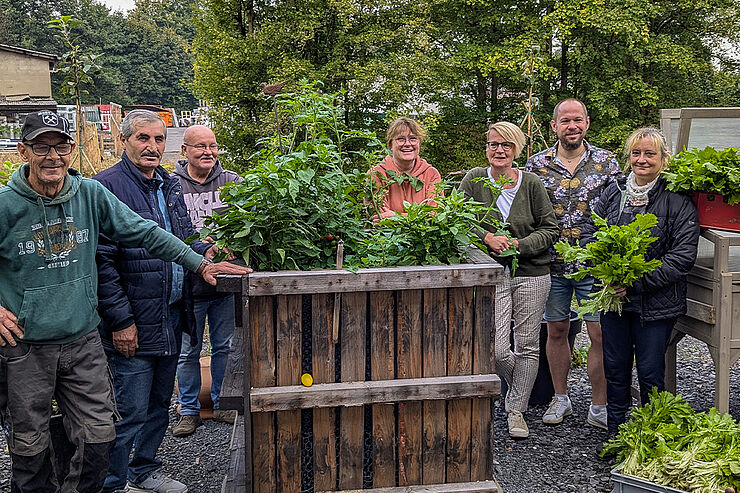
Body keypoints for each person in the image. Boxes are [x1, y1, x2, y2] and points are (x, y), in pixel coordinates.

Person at [0, 111, 248, 493]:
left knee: (98, 436)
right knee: (29, 445)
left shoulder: (90, 194)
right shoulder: (6, 206)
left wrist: (200, 263)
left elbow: (147, 233)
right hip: (26, 345)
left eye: (61, 146)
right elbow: (108, 261)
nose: (53, 156)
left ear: (72, 149)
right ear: (23, 151)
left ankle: (109, 483)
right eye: (41, 147)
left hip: (82, 340)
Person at [93, 110, 247, 493]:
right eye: (143, 138)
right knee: (128, 409)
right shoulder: (106, 187)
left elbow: (181, 237)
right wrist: (120, 320)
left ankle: (144, 470)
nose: (152, 147)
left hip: (171, 310)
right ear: (125, 141)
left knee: (160, 403)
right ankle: (113, 483)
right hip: (135, 314)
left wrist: (206, 254)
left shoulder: (166, 184)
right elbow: (102, 261)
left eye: (159, 140)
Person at [582, 127, 699, 436]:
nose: (642, 160)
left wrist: (634, 282)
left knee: (649, 373)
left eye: (650, 154)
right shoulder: (614, 191)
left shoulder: (676, 198)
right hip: (615, 301)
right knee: (616, 369)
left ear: (663, 158)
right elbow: (589, 233)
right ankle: (617, 434)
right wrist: (608, 272)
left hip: (656, 303)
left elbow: (682, 255)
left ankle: (649, 437)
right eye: (636, 153)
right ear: (628, 156)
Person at [459, 121, 559, 438]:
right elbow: (456, 217)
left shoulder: (530, 184)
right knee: (500, 348)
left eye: (506, 145)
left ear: (517, 150)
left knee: (528, 344)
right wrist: (486, 237)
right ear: (486, 148)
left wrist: (520, 245)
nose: (499, 150)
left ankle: (515, 410)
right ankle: (519, 389)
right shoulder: (474, 180)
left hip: (532, 272)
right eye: (493, 144)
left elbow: (550, 229)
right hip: (493, 272)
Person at [525, 98, 620, 429]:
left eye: (577, 120)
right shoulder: (536, 165)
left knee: (600, 333)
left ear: (587, 123)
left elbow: (620, 209)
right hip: (552, 263)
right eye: (565, 121)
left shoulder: (607, 163)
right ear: (554, 126)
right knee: (557, 330)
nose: (572, 126)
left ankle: (599, 404)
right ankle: (560, 397)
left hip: (595, 265)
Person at [171, 125, 243, 437]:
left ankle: (222, 401)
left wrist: (230, 242)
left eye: (212, 146)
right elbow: (166, 230)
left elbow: (246, 221)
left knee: (224, 344)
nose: (208, 152)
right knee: (188, 350)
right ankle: (189, 410)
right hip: (187, 284)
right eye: (200, 146)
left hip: (224, 282)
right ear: (184, 150)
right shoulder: (171, 186)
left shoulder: (232, 182)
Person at [369, 117, 442, 220]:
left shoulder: (431, 174)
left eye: (413, 138)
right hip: (384, 236)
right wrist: (419, 217)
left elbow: (435, 215)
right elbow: (378, 218)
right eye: (400, 139)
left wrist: (395, 217)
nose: (407, 144)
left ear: (419, 143)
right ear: (390, 145)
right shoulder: (376, 174)